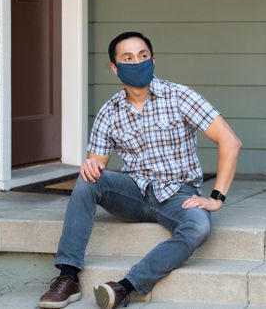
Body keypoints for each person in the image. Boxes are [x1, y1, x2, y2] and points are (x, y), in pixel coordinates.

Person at [39, 31, 242, 309]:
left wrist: (216, 198)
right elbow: (95, 166)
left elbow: (230, 141)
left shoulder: (179, 96)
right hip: (134, 192)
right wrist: (90, 165)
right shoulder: (109, 111)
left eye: (143, 56)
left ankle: (126, 287)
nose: (137, 63)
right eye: (128, 58)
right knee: (87, 182)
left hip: (177, 195)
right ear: (115, 68)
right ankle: (68, 276)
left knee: (198, 226)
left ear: (153, 60)